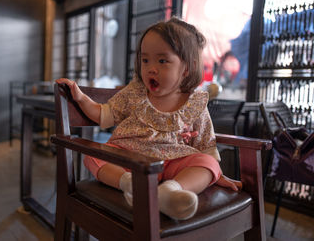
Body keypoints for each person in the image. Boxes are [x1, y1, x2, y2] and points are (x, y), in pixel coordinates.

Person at [56, 17, 242, 220]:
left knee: (208, 163)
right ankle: (131, 186)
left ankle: (170, 192)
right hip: (129, 159)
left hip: (173, 164)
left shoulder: (194, 103)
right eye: (145, 60)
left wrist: (215, 173)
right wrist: (81, 98)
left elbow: (206, 144)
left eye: (162, 61)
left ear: (186, 68)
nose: (151, 68)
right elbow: (103, 115)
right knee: (94, 155)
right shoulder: (135, 93)